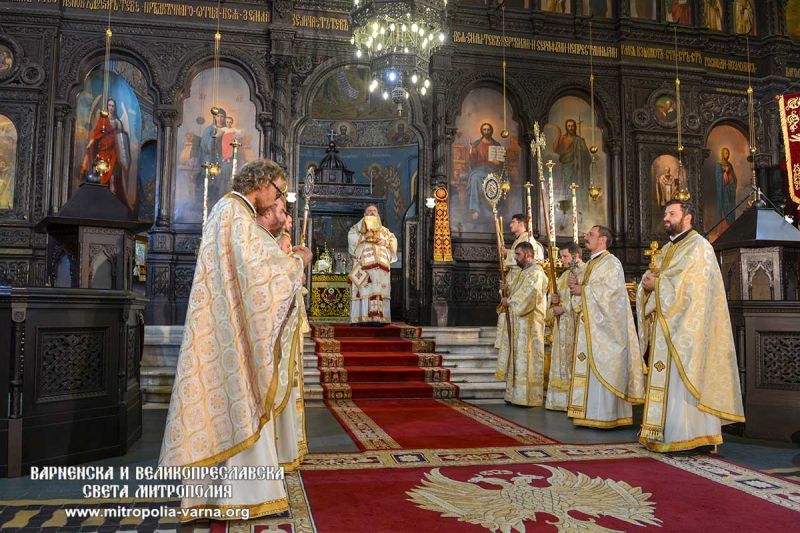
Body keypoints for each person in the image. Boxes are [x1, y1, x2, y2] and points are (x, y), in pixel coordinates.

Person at [159, 159, 313, 521]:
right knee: (239, 405)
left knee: (226, 408)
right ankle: (236, 496)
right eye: (277, 191)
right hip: (233, 333)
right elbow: (261, 276)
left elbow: (253, 266)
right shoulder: (235, 212)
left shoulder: (229, 212)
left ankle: (217, 496)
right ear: (261, 184)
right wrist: (298, 263)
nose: (277, 200)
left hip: (227, 327)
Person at [637, 200, 744, 453]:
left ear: (688, 217)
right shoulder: (667, 249)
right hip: (667, 327)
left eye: (671, 213)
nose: (666, 218)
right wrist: (646, 283)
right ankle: (665, 432)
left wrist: (658, 284)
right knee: (668, 380)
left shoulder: (699, 247)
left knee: (684, 381)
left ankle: (692, 436)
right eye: (665, 213)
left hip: (689, 331)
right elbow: (660, 278)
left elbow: (691, 288)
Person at [567, 225, 645, 428]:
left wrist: (582, 290)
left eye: (591, 235)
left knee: (604, 366)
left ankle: (606, 416)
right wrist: (576, 288)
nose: (586, 237)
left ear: (603, 240)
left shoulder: (612, 263)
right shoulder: (591, 264)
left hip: (606, 331)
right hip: (590, 327)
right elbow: (586, 292)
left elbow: (610, 295)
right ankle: (588, 414)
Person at [495, 241, 549, 406]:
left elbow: (529, 295)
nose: (515, 258)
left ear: (528, 254)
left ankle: (528, 398)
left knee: (527, 359)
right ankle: (515, 395)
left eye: (518, 254)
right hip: (520, 324)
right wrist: (506, 289)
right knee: (518, 359)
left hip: (530, 325)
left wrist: (509, 301)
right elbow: (516, 291)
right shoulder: (523, 272)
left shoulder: (536, 274)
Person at [495, 214, 545, 353]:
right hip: (516, 279)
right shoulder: (519, 240)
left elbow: (532, 257)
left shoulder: (528, 239)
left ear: (522, 224)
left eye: (513, 222)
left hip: (522, 281)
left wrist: (507, 254)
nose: (510, 225)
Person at [545, 243, 585, 411]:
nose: (561, 260)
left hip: (577, 326)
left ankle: (574, 400)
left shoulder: (584, 272)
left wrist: (565, 308)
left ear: (576, 256)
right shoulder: (563, 276)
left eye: (565, 256)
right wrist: (553, 301)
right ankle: (560, 402)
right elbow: (558, 299)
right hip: (561, 327)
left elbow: (585, 297)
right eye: (561, 257)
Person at [348, 204, 398, 325]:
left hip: (381, 269)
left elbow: (393, 240)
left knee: (380, 291)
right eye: (369, 211)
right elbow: (351, 240)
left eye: (374, 211)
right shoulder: (357, 229)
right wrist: (364, 237)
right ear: (365, 215)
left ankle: (380, 318)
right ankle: (361, 319)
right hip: (364, 269)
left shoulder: (384, 231)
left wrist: (385, 242)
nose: (372, 213)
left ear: (378, 214)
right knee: (365, 291)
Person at [80, 97, 132, 210]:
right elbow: (96, 134)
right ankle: (98, 203)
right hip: (102, 152)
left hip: (114, 153)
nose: (111, 108)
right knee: (99, 177)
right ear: (107, 107)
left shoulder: (118, 122)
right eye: (109, 105)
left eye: (113, 106)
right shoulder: (102, 120)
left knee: (113, 178)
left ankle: (111, 203)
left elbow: (121, 139)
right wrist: (91, 142)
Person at [467, 122, 503, 220]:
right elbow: (472, 163)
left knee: (492, 181)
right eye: (484, 129)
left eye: (488, 129)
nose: (486, 132)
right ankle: (475, 209)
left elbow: (501, 163)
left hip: (492, 170)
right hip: (479, 169)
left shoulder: (497, 145)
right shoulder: (476, 144)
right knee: (475, 178)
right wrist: (471, 152)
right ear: (482, 131)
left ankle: (489, 211)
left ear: (491, 131)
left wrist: (498, 162)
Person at [552, 119, 591, 193]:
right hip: (567, 168)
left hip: (578, 170)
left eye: (572, 126)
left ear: (575, 127)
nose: (571, 128)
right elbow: (555, 149)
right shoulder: (563, 138)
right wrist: (559, 135)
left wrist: (581, 153)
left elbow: (587, 158)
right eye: (569, 126)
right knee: (567, 186)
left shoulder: (579, 140)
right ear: (566, 127)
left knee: (577, 188)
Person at [715, 147, 738, 226]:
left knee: (731, 206)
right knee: (725, 206)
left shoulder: (730, 165)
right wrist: (724, 173)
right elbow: (718, 176)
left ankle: (731, 224)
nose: (726, 155)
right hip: (723, 190)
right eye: (725, 153)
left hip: (730, 190)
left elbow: (734, 178)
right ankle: (724, 226)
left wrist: (730, 176)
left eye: (727, 153)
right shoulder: (719, 164)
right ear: (722, 154)